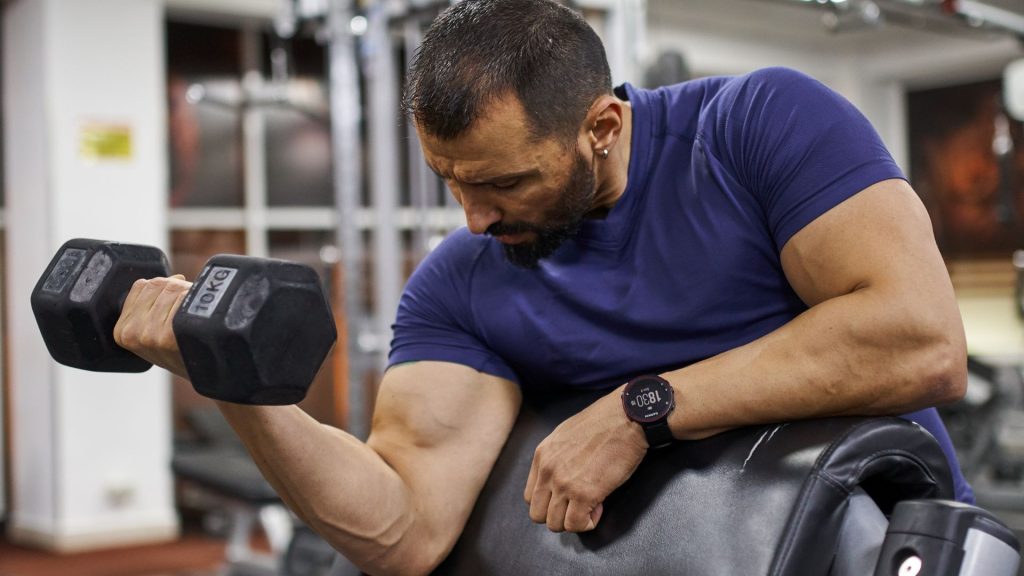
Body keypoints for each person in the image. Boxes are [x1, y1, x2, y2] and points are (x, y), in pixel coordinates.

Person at [114, 0, 971, 574]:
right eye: (452, 182)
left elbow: (921, 341)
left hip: (881, 545)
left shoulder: (757, 127)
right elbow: (404, 526)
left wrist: (641, 409)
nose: (474, 218)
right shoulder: (460, 282)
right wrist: (235, 384)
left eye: (504, 183)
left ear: (602, 126)